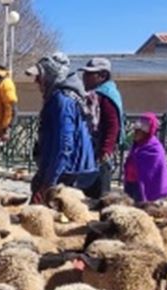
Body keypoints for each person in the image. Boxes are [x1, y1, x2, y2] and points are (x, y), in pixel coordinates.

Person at [26, 53, 97, 202]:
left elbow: (65, 143)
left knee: (45, 209)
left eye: (39, 76)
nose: (36, 81)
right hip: (64, 165)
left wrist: (50, 181)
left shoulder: (62, 100)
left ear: (51, 75)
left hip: (67, 168)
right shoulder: (59, 97)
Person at [81, 57, 125, 199]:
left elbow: (113, 125)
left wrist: (105, 151)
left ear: (102, 76)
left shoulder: (106, 96)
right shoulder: (93, 95)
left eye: (90, 74)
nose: (85, 77)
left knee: (98, 194)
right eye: (85, 73)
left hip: (100, 153)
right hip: (91, 150)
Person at [123, 113, 167, 203]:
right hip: (131, 183)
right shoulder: (137, 146)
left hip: (142, 186)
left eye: (139, 132)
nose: (136, 134)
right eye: (136, 131)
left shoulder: (154, 147)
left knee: (142, 207)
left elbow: (154, 170)